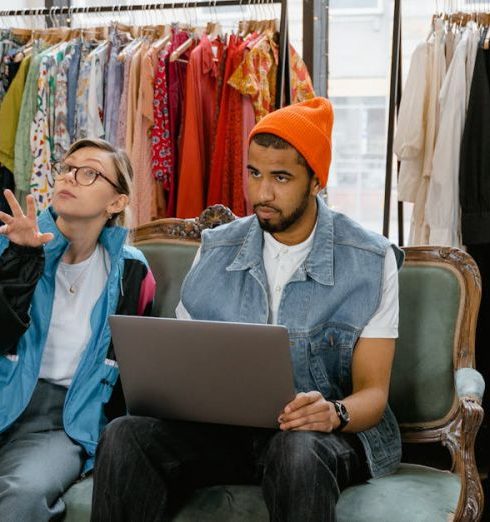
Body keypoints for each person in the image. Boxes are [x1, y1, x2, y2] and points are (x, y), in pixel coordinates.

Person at [90, 98, 403, 522]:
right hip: (226, 435)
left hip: (322, 439)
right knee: (124, 436)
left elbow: (373, 395)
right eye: (253, 173)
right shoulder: (216, 248)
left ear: (316, 182)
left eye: (281, 177)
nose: (262, 192)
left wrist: (333, 413)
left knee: (297, 450)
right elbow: (184, 360)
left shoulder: (368, 259)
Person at [0, 138, 156, 522]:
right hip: (6, 393)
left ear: (116, 202)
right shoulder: (15, 243)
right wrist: (20, 261)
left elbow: (135, 370)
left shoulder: (133, 271)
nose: (70, 177)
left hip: (63, 420)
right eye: (67, 168)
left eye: (89, 173)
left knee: (24, 493)